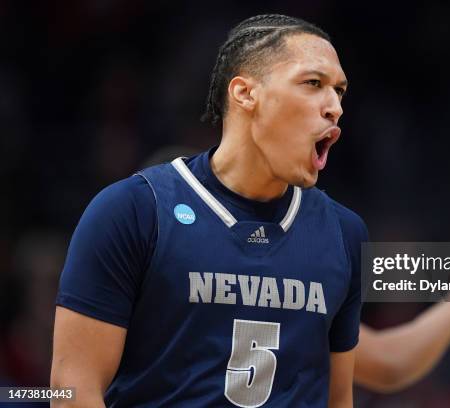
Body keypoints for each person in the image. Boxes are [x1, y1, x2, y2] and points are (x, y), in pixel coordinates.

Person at [51, 14, 364, 407]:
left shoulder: (344, 233)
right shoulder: (132, 210)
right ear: (245, 93)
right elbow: (71, 390)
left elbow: (339, 399)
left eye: (340, 91)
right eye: (313, 84)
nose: (334, 106)